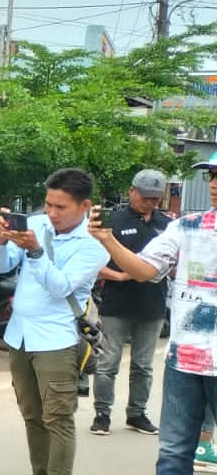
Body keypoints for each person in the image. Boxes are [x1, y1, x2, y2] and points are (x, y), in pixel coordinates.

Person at [90, 153, 217, 475]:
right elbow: (145, 270)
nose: (214, 184)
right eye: (212, 176)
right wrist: (108, 241)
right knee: (174, 450)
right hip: (185, 360)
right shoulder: (187, 227)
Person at [0, 168, 109, 475]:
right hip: (21, 334)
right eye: (48, 204)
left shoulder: (95, 244)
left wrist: (37, 253)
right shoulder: (37, 225)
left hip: (58, 338)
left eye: (61, 207)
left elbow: (61, 287)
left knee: (58, 417)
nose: (52, 213)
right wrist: (0, 240)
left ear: (84, 206)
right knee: (32, 414)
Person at [90, 169, 171, 437]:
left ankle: (136, 413)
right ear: (132, 191)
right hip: (117, 304)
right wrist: (122, 275)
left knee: (143, 365)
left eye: (156, 199)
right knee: (108, 362)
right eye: (146, 197)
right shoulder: (113, 221)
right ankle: (102, 414)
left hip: (152, 305)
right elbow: (93, 262)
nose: (151, 203)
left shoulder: (168, 224)